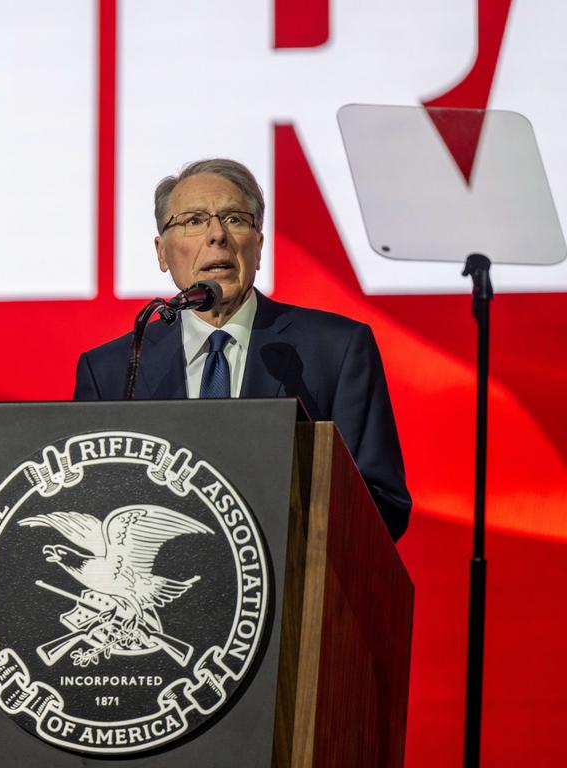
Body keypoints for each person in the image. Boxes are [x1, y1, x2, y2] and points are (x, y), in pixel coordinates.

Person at [74, 159, 411, 540]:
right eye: (193, 220)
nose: (217, 235)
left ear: (259, 244)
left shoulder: (337, 350)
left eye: (234, 219)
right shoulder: (111, 371)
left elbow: (382, 504)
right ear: (162, 252)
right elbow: (90, 504)